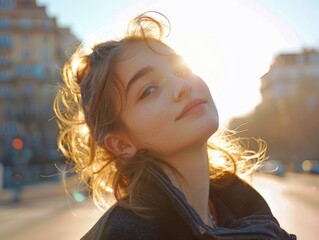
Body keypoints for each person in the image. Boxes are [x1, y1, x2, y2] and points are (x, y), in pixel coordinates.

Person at [54, 12, 296, 240]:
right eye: (149, 90)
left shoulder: (247, 207)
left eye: (181, 69)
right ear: (121, 143)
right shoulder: (122, 234)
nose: (182, 86)